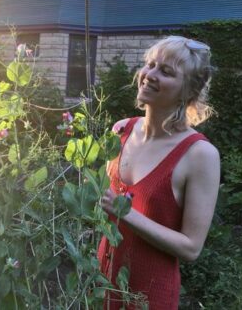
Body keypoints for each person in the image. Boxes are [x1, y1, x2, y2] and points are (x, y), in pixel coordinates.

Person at [97, 36, 221, 310]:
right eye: (150, 65)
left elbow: (191, 247)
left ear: (188, 91)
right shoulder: (121, 130)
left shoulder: (199, 154)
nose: (149, 75)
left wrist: (126, 214)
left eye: (165, 72)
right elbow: (103, 210)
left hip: (149, 296)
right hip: (99, 282)